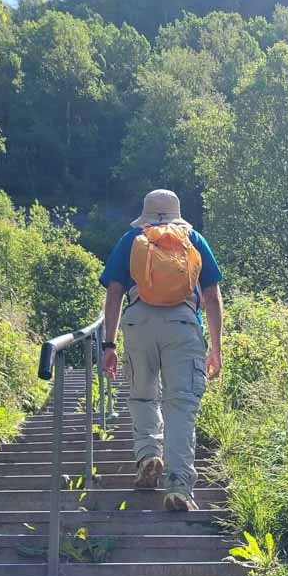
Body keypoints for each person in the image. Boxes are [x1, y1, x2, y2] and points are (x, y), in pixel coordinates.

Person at [99, 189, 223, 512]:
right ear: (176, 214)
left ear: (146, 214)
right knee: (180, 405)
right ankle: (179, 486)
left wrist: (108, 344)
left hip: (138, 322)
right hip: (182, 324)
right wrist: (216, 348)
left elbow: (114, 294)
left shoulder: (131, 240)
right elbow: (211, 295)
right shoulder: (193, 238)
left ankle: (149, 457)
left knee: (142, 395)